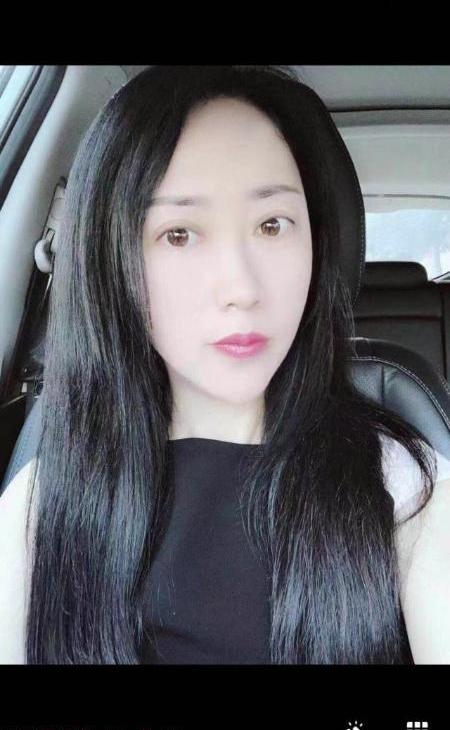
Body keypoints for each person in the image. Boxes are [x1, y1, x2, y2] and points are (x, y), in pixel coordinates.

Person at [1, 65, 450, 665]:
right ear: (113, 259)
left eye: (272, 225)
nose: (241, 286)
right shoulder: (46, 499)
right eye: (179, 234)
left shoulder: (405, 486)